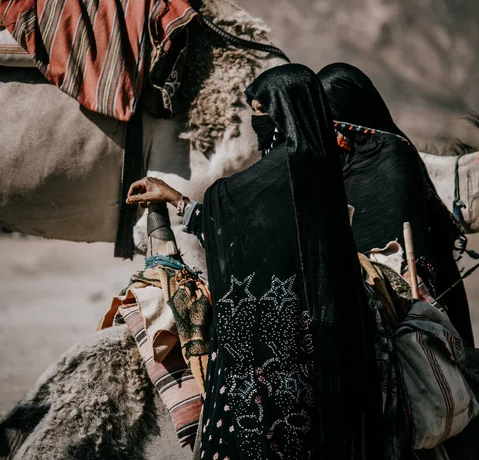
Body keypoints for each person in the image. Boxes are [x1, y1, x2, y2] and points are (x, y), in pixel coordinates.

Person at [127, 64, 384, 460]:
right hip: (329, 335)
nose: (256, 121)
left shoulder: (278, 173)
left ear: (285, 111)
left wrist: (170, 196)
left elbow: (223, 209)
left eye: (261, 110)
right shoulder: (323, 167)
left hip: (277, 345)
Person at [317, 62, 474, 347]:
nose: (334, 137)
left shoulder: (394, 158)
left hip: (417, 304)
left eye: (336, 124)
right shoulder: (334, 168)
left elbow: (415, 244)